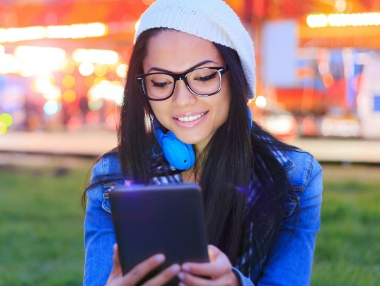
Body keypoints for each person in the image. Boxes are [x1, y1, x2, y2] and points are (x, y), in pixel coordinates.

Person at [83, 0, 323, 285]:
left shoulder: (294, 175)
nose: (182, 100)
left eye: (204, 77)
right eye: (160, 83)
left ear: (238, 78)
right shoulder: (114, 176)